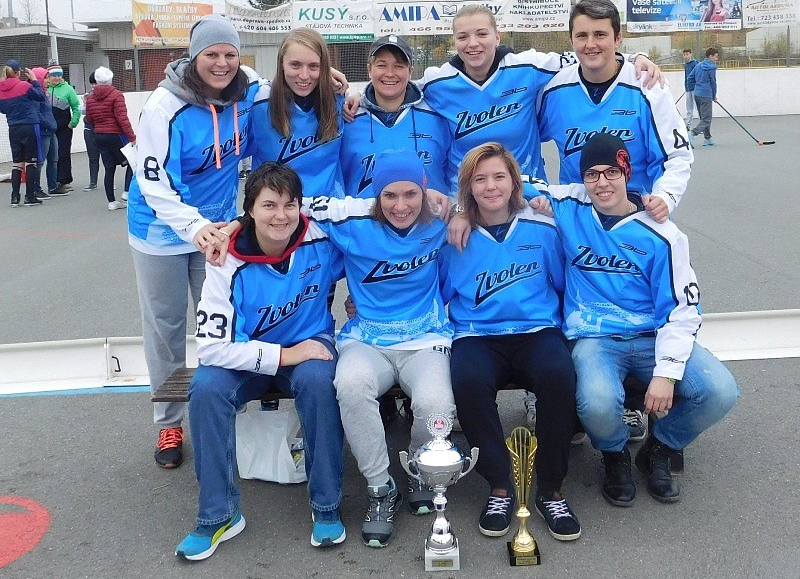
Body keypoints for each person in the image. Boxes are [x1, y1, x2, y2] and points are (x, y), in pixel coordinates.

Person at [541, 133, 738, 507]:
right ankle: (615, 454)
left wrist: (666, 373)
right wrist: (459, 211)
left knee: (719, 391)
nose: (602, 183)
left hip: (653, 336)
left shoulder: (663, 234)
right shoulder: (570, 207)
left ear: (626, 172)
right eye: (592, 174)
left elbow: (682, 310)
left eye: (611, 172)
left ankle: (660, 448)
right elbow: (507, 184)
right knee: (597, 402)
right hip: (595, 338)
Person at [175, 162, 346, 560]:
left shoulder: (321, 236)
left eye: (289, 205)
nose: (280, 216)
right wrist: (285, 354)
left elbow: (368, 228)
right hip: (248, 355)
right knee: (206, 389)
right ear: (249, 209)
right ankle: (218, 514)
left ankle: (326, 504)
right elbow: (211, 349)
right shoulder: (224, 258)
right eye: (268, 205)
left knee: (319, 381)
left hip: (308, 345)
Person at [127, 14, 260, 468]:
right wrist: (192, 226)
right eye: (211, 54)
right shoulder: (164, 106)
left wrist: (341, 86)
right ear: (193, 56)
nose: (221, 63)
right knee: (165, 328)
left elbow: (292, 82)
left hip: (216, 230)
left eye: (229, 54)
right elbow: (154, 180)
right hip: (160, 231)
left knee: (224, 319)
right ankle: (169, 422)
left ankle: (226, 410)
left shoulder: (247, 89)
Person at [305, 150, 454, 548]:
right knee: (351, 386)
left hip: (425, 338)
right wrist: (235, 223)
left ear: (424, 190)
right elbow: (290, 205)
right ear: (376, 195)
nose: (400, 206)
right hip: (368, 338)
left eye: (410, 194)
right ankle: (380, 486)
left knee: (437, 403)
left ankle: (420, 467)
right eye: (389, 195)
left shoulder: (440, 218)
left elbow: (494, 199)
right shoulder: (353, 221)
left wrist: (452, 205)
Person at [438, 142, 581, 542]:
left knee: (558, 373)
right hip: (477, 333)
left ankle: (550, 489)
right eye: (480, 179)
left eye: (499, 176)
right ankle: (500, 485)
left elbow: (562, 284)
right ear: (468, 187)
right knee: (467, 379)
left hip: (536, 330)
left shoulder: (542, 227)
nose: (491, 186)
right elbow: (439, 291)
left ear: (514, 182)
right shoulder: (454, 236)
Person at [407, 5, 662, 192]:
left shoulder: (528, 66)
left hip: (528, 194)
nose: (473, 43)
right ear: (455, 41)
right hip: (467, 199)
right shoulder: (436, 82)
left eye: (482, 34)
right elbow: (396, 88)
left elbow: (586, 55)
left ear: (497, 36)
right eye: (463, 37)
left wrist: (635, 58)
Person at [537, 0, 693, 224]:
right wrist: (535, 190)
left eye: (600, 35)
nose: (590, 44)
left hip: (636, 216)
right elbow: (522, 137)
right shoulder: (553, 90)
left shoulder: (648, 87)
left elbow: (676, 155)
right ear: (571, 40)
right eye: (582, 36)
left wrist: (666, 196)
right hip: (577, 221)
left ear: (618, 38)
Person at [340, 34, 450, 198]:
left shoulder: (437, 116)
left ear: (410, 71)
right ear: (369, 69)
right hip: (364, 214)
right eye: (381, 65)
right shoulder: (348, 117)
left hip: (428, 214)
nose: (390, 73)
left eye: (398, 66)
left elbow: (453, 169)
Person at [250, 28, 345, 198]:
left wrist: (358, 98)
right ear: (281, 63)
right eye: (295, 65)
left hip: (328, 209)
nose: (304, 75)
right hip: (279, 209)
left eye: (313, 66)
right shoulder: (258, 103)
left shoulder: (338, 99)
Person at [84, 66, 135, 211]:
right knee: (132, 161)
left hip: (99, 135)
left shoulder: (90, 98)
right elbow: (122, 118)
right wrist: (132, 137)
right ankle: (126, 191)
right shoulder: (116, 95)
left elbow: (89, 118)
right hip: (116, 134)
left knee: (109, 168)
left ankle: (111, 202)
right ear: (110, 80)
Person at [0, 59, 46, 206]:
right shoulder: (24, 86)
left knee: (17, 163)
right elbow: (40, 96)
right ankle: (30, 196)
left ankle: (15, 197)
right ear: (18, 72)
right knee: (31, 161)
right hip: (29, 125)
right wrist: (34, 80)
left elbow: (3, 109)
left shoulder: (1, 89)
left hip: (13, 127)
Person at [45, 64, 80, 194]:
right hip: (49, 127)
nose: (57, 78)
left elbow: (76, 106)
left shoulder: (68, 89)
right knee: (52, 156)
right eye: (54, 75)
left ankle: (65, 180)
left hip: (64, 127)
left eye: (59, 75)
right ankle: (53, 181)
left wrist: (73, 122)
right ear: (48, 76)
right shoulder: (45, 89)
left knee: (63, 153)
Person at [31, 67, 57, 200]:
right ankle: (36, 189)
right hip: (43, 132)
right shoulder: (36, 95)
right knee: (40, 161)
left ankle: (53, 186)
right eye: (45, 78)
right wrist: (47, 124)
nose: (48, 80)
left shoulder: (45, 93)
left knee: (53, 159)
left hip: (51, 131)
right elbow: (37, 113)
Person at [689, 47, 719, 147]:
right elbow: (713, 82)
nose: (716, 59)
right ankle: (692, 133)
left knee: (703, 118)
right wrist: (714, 95)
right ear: (710, 56)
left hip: (697, 94)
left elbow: (690, 78)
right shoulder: (712, 67)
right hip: (706, 94)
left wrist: (694, 87)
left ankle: (707, 138)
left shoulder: (698, 65)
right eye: (715, 57)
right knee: (707, 118)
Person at [81, 72, 100, 192]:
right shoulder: (88, 96)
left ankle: (110, 181)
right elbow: (83, 112)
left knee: (108, 158)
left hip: (102, 129)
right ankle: (93, 182)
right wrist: (85, 103)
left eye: (95, 83)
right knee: (93, 157)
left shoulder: (109, 95)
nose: (93, 86)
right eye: (92, 84)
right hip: (89, 129)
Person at [682, 48, 698, 128]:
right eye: (684, 55)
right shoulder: (686, 65)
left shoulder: (695, 63)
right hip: (688, 89)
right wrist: (686, 86)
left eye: (687, 54)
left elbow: (697, 75)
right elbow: (686, 77)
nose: (685, 56)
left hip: (695, 88)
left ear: (691, 54)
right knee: (689, 108)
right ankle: (688, 125)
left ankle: (703, 126)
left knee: (698, 107)